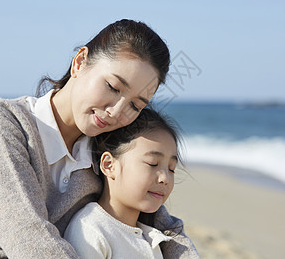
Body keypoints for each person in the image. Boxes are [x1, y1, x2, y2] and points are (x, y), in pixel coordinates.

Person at [0, 19, 197, 258]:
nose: (116, 112)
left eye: (135, 106)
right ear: (80, 62)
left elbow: (164, 224)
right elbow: (27, 234)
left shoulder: (104, 147)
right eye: (112, 87)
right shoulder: (0, 122)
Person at [64, 108, 196, 258]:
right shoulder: (90, 231)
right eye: (153, 164)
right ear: (109, 165)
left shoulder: (152, 237)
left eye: (171, 169)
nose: (165, 178)